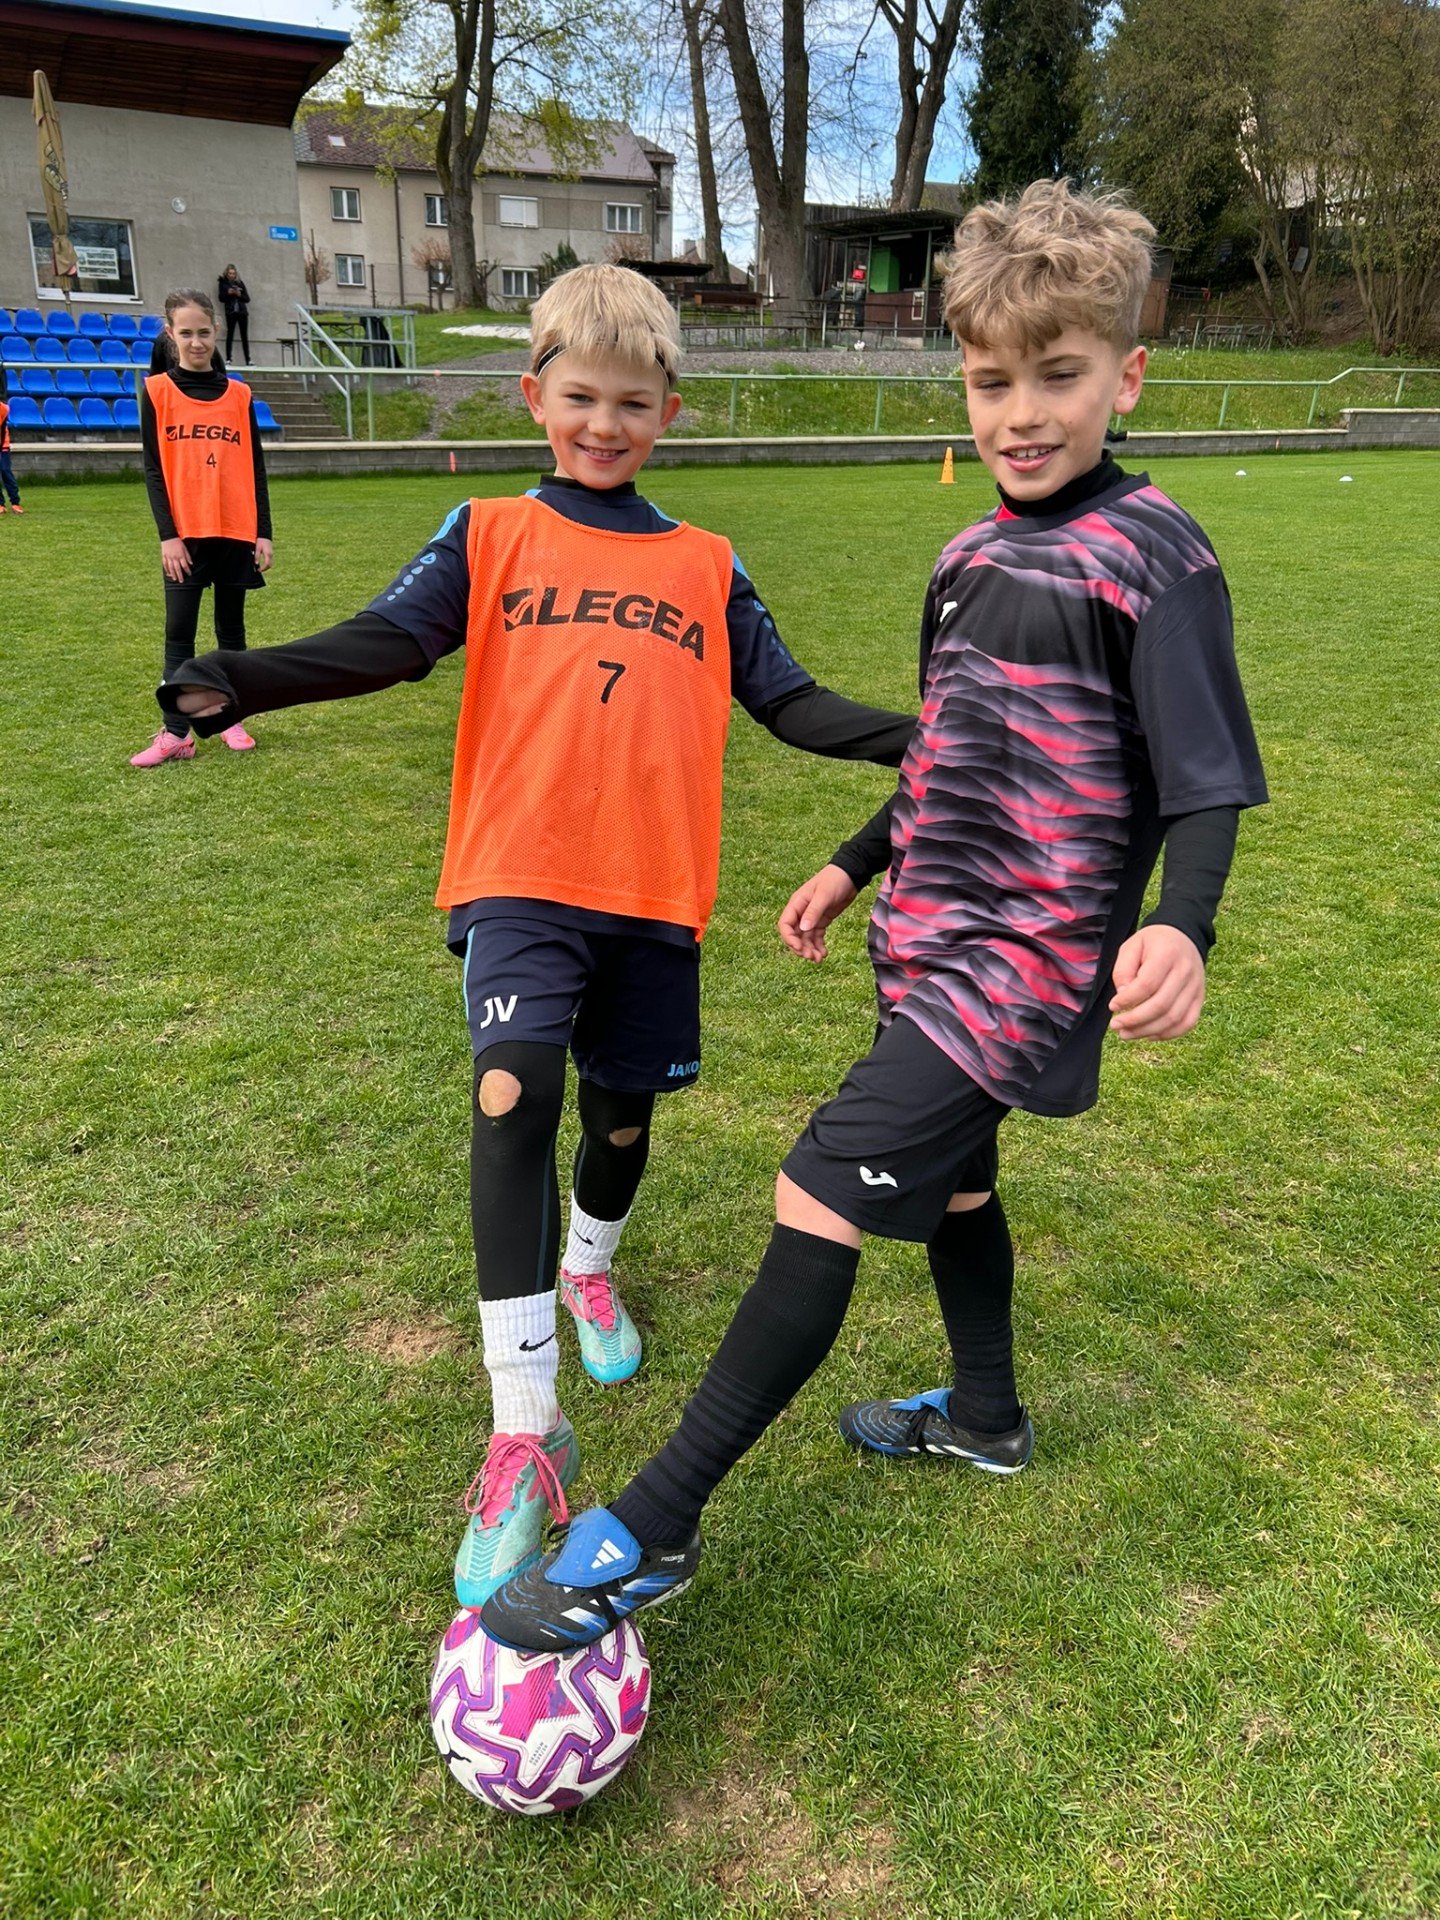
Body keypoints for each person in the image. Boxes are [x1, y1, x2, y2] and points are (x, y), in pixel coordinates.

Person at [478, 182, 1270, 1656]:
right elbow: (948, 757)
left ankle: (655, 1524)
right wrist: (856, 862)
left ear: (1127, 376)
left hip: (1027, 964)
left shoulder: (1158, 555)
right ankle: (986, 1417)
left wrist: (1186, 925)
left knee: (818, 1188)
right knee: (955, 1189)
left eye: (1059, 376)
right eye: (991, 381)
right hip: (931, 939)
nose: (1021, 414)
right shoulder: (967, 560)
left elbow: (1208, 773)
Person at [156, 263, 915, 1610]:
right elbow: (393, 640)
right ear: (534, 396)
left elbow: (791, 704)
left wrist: (926, 738)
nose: (603, 424)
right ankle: (526, 1429)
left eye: (631, 402)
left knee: (619, 1123)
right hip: (518, 875)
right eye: (580, 398)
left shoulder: (707, 564)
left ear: (669, 411)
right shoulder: (490, 531)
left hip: (653, 894)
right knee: (512, 1094)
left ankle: (591, 1271)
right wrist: (245, 677)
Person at [129, 290, 271, 768]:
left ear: (217, 332)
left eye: (204, 332)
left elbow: (255, 467)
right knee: (179, 634)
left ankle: (231, 717)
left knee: (231, 632)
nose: (196, 342)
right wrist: (167, 536)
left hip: (234, 531)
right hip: (185, 537)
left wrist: (263, 531)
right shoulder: (157, 391)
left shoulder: (240, 394)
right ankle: (176, 734)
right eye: (186, 333)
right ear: (171, 335)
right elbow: (153, 470)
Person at [218, 266, 251, 366]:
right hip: (231, 312)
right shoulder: (223, 283)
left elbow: (247, 299)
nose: (232, 275)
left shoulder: (240, 283)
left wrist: (239, 294)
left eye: (233, 273)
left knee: (244, 336)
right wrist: (228, 293)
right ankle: (228, 359)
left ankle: (248, 360)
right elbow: (221, 298)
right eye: (230, 273)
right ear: (226, 274)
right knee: (230, 335)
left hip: (242, 312)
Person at [0, 390, 22, 514]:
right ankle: (0, 504)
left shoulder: (3, 408)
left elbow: (2, 431)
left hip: (3, 444)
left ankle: (15, 502)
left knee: (5, 471)